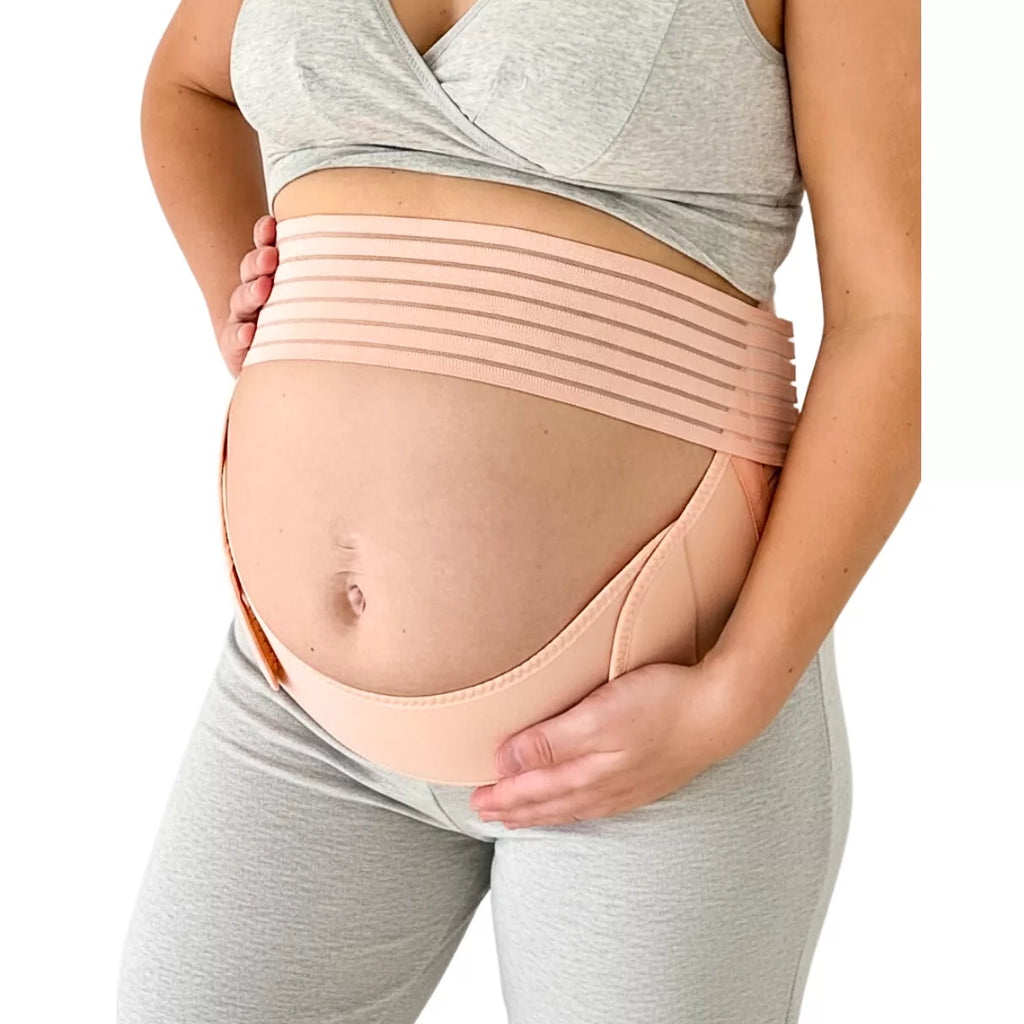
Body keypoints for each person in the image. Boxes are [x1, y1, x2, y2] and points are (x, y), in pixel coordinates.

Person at [117, 0, 920, 1021]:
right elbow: (186, 88)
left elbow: (898, 320)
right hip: (296, 708)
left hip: (650, 724)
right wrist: (247, 291)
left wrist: (731, 695)